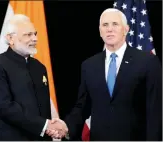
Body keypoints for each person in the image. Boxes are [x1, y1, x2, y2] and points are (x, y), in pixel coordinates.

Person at [47, 8, 162, 141]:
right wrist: (66, 127)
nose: (109, 29)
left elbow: (156, 110)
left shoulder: (147, 61)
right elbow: (83, 106)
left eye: (115, 24)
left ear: (126, 29)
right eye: (105, 25)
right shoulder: (89, 65)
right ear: (100, 30)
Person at [0, 14, 64, 141]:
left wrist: (50, 128)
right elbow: (4, 107)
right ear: (11, 38)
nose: (35, 39)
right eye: (28, 35)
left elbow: (44, 109)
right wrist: (44, 125)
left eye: (35, 34)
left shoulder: (39, 67)